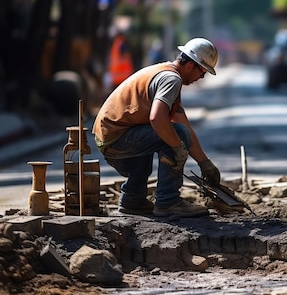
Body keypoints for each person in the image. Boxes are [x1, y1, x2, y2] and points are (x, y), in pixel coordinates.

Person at [93, 37, 222, 218]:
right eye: (202, 73)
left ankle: (132, 200)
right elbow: (158, 119)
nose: (201, 78)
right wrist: (177, 147)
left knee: (166, 134)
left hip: (112, 136)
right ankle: (169, 202)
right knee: (172, 135)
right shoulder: (172, 79)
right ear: (191, 65)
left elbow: (183, 124)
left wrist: (205, 163)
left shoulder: (165, 73)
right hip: (117, 138)